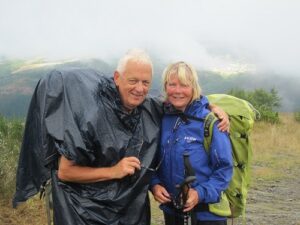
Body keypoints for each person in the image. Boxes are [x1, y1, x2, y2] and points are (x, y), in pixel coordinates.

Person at [13, 50, 229, 225]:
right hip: (84, 212)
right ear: (117, 78)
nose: (139, 88)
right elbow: (65, 172)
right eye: (133, 80)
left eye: (145, 82)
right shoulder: (91, 115)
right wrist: (113, 171)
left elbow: (183, 101)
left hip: (132, 211)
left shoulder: (149, 107)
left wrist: (211, 106)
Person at [151, 61, 233, 225]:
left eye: (184, 85)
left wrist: (199, 193)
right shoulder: (161, 116)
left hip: (207, 216)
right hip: (172, 213)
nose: (177, 91)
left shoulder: (211, 121)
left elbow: (224, 170)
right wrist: (154, 184)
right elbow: (152, 158)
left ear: (194, 87)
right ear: (165, 87)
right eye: (172, 84)